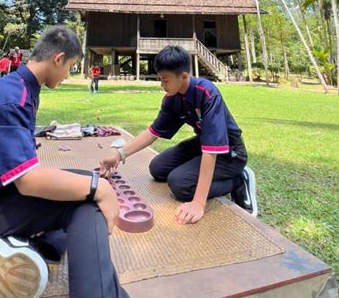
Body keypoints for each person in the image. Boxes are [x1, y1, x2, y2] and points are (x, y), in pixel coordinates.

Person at [0, 26, 133, 298]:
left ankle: (26, 246)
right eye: (71, 68)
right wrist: (102, 189)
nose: (67, 76)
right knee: (89, 198)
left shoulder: (21, 87)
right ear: (58, 58)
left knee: (78, 187)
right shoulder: (11, 96)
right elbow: (27, 181)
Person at [100, 45, 257, 225]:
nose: (161, 85)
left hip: (229, 152)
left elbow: (211, 151)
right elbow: (152, 132)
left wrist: (198, 203)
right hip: (202, 144)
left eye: (165, 80)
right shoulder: (172, 99)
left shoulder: (207, 93)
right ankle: (202, 172)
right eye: (160, 79)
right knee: (157, 168)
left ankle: (238, 180)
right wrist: (119, 155)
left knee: (181, 184)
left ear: (183, 77)